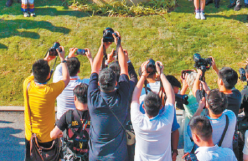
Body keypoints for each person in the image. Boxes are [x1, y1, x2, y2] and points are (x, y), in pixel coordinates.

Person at [88, 28, 134, 161]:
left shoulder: (93, 98)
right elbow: (124, 68)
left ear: (98, 84)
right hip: (117, 157)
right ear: (116, 83)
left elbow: (94, 69)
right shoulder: (121, 98)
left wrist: (103, 46)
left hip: (95, 156)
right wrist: (119, 44)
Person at [23, 47, 71, 161]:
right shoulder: (50, 91)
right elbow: (66, 79)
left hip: (30, 137)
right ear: (49, 75)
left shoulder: (27, 84)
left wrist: (46, 59)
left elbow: (34, 74)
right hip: (47, 139)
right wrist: (63, 59)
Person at [131, 58, 175, 161]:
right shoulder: (166, 121)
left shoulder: (137, 121)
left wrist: (143, 76)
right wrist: (161, 74)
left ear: (143, 107)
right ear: (160, 107)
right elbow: (170, 95)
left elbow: (135, 97)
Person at [51, 83, 91, 161]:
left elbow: (53, 135)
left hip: (71, 157)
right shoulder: (94, 116)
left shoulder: (68, 115)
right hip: (88, 157)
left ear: (75, 98)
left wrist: (63, 134)